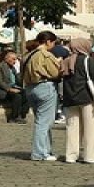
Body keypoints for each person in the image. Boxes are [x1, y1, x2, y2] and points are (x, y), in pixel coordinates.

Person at [60, 38, 94, 164]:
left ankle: (71, 156)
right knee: (92, 128)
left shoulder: (66, 60)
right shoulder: (87, 60)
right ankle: (91, 155)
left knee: (72, 128)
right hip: (87, 98)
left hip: (70, 99)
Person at [21, 31, 63, 161]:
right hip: (44, 87)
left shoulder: (27, 55)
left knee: (41, 119)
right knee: (44, 122)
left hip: (30, 88)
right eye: (53, 42)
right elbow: (55, 73)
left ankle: (46, 150)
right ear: (48, 41)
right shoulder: (45, 55)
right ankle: (39, 153)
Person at [0, 50, 28, 124]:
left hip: (14, 87)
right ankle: (13, 117)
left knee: (27, 94)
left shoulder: (13, 68)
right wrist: (9, 89)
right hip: (2, 90)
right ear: (7, 58)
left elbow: (18, 80)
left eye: (16, 59)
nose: (15, 61)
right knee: (17, 96)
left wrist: (20, 70)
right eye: (13, 59)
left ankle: (21, 115)